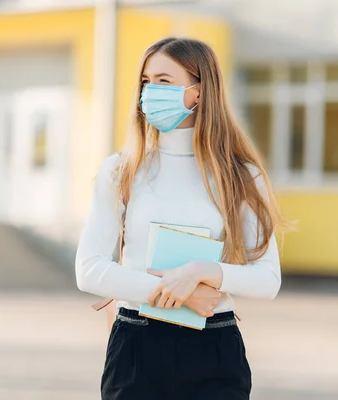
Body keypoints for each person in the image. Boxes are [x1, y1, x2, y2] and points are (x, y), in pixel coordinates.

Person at [75, 37, 286, 400]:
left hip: (214, 348)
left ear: (199, 91)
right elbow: (89, 269)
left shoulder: (240, 176)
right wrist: (181, 295)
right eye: (146, 81)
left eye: (164, 81)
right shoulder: (122, 170)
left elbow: (267, 279)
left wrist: (202, 272)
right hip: (137, 349)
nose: (150, 92)